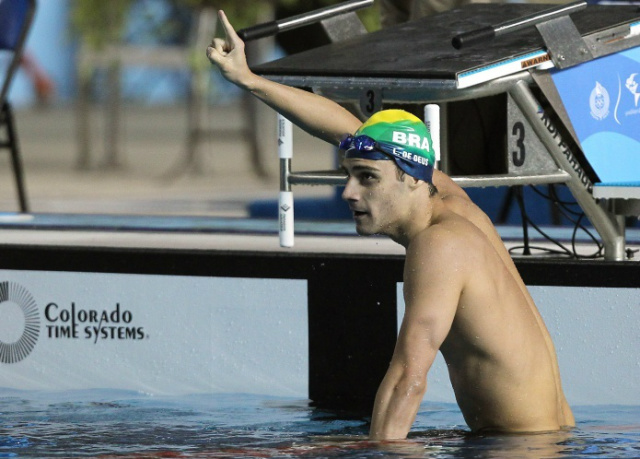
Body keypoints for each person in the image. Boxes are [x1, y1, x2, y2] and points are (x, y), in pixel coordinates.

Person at [207, 10, 574, 440]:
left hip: (518, 449)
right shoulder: (450, 199)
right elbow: (348, 130)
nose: (348, 192)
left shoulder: (439, 247)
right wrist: (250, 79)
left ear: (409, 178)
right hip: (550, 438)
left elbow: (408, 380)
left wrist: (378, 453)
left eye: (366, 178)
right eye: (350, 174)